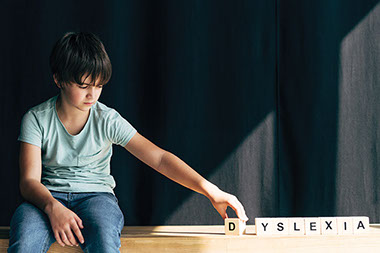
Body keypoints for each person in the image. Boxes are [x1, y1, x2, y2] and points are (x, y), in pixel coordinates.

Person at [8, 32, 248, 253]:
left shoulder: (107, 119)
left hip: (96, 197)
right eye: (83, 86)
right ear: (59, 79)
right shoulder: (36, 119)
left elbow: (160, 159)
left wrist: (211, 191)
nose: (92, 94)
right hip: (46, 197)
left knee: (104, 237)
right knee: (24, 240)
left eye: (99, 85)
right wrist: (52, 207)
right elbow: (29, 181)